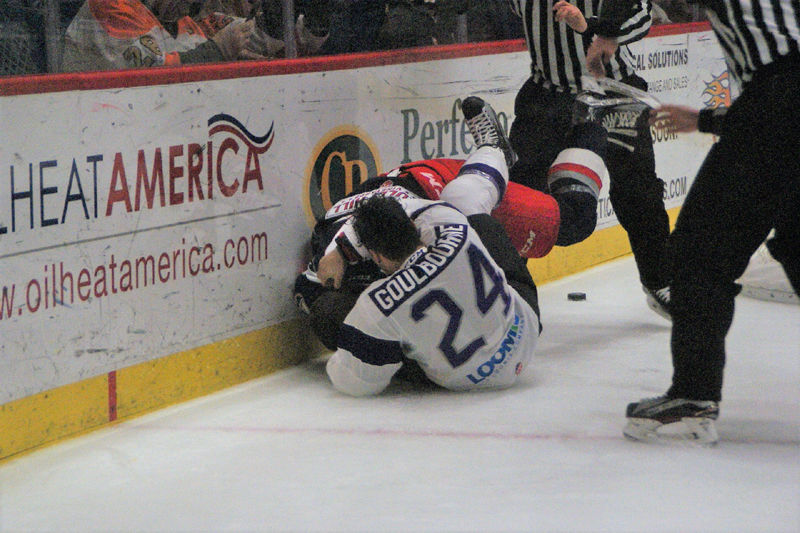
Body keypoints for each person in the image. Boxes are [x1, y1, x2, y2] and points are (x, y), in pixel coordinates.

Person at [586, 0, 800, 445]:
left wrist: (606, 30)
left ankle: (694, 398)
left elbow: (782, 89)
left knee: (699, 254)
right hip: (780, 103)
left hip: (781, 99)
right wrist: (711, 120)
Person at [295, 95, 612, 351]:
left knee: (575, 220)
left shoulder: (416, 226)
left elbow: (392, 207)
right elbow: (308, 291)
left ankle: (587, 126)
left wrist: (342, 249)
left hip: (439, 184)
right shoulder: (336, 281)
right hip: (395, 198)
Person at [321, 149, 542, 395]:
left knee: (328, 312)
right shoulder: (449, 222)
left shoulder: (376, 304)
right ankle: (493, 150)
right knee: (473, 212)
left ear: (377, 255)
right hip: (526, 332)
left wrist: (339, 252)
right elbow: (407, 207)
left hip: (467, 381)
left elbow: (354, 384)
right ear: (413, 226)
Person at [505, 0, 673, 320]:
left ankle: (660, 280)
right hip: (548, 96)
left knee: (638, 189)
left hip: (613, 92)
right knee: (519, 194)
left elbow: (641, 14)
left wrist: (605, 29)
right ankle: (504, 288)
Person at [61, 0, 256, 72]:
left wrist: (235, 54)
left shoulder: (161, 16)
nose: (189, 7)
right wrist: (218, 49)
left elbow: (180, 51)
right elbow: (155, 74)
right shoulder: (111, 5)